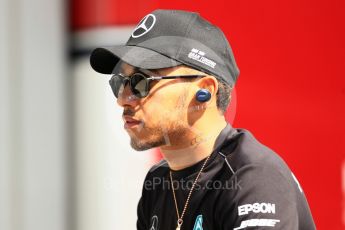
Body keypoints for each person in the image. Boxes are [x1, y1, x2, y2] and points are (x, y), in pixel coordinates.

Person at [90, 9, 316, 230]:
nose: (123, 99)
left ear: (204, 92)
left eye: (141, 81)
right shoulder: (157, 183)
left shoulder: (254, 177)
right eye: (120, 83)